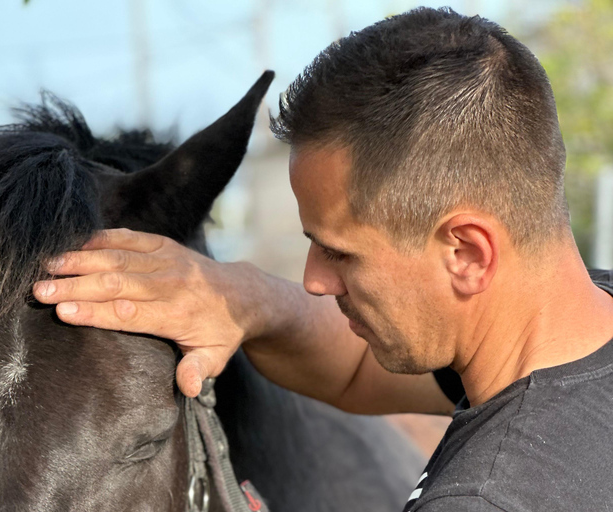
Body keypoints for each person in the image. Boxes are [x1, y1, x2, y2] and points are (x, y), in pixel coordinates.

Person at [32, 7, 613, 511]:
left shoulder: (488, 498)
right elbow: (357, 369)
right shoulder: (579, 326)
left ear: (465, 252)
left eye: (339, 252)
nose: (312, 280)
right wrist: (242, 297)